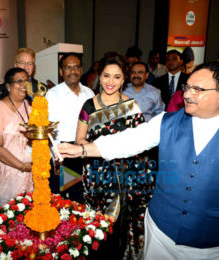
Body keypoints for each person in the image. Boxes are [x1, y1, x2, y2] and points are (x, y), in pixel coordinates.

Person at [57, 61, 219, 260]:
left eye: (198, 89)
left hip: (208, 247)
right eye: (187, 87)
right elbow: (130, 140)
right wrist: (81, 149)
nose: (186, 94)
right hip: (158, 234)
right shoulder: (165, 122)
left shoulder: (130, 105)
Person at [75, 52, 150, 259]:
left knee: (120, 227)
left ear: (124, 79)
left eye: (117, 77)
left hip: (125, 176)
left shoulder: (132, 107)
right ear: (100, 76)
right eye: (106, 76)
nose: (110, 82)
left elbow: (141, 143)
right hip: (97, 175)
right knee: (97, 229)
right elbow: (79, 140)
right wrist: (97, 150)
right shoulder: (88, 106)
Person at [45, 52, 94, 200]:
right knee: (69, 199)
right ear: (61, 71)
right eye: (68, 67)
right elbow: (48, 130)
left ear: (81, 69)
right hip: (65, 154)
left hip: (86, 151)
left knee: (86, 195)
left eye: (76, 67)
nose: (73, 71)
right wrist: (56, 157)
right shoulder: (53, 95)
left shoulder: (89, 93)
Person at [0, 68, 33, 206]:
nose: (24, 85)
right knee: (13, 216)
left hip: (33, 170)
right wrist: (22, 166)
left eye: (26, 81)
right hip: (10, 171)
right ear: (8, 86)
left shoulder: (31, 107)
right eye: (19, 81)